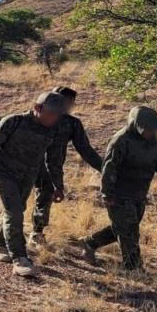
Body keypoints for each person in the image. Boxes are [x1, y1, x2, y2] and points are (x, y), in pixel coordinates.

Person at [0, 92, 66, 277]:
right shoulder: (13, 122)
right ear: (38, 108)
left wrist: (58, 185)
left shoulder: (54, 130)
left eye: (58, 115)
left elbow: (54, 160)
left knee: (14, 210)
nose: (55, 118)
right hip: (3, 172)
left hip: (28, 175)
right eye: (52, 113)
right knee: (14, 211)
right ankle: (20, 258)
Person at [80, 106, 157, 271]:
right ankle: (133, 268)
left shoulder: (152, 138)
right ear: (136, 125)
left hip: (139, 193)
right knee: (130, 231)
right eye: (148, 129)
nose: (151, 133)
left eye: (154, 129)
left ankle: (90, 243)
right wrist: (107, 193)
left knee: (123, 227)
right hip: (119, 194)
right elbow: (109, 168)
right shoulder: (121, 141)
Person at [29, 86, 103, 245]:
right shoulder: (37, 116)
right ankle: (10, 234)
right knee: (18, 199)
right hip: (29, 163)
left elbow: (86, 150)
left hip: (54, 167)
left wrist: (105, 168)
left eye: (70, 103)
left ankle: (37, 231)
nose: (66, 106)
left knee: (46, 193)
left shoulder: (72, 124)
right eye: (63, 102)